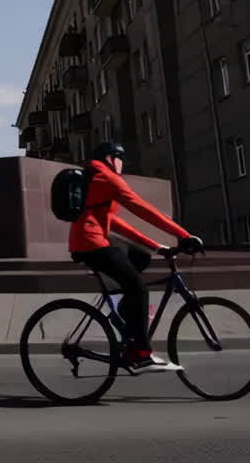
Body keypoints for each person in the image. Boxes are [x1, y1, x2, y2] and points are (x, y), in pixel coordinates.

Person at [70, 142, 204, 373]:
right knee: (139, 289)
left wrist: (155, 246)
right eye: (120, 157)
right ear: (111, 158)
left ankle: (124, 312)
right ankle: (141, 353)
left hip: (96, 238)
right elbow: (141, 207)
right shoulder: (106, 177)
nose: (122, 163)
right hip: (90, 243)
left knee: (142, 258)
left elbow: (114, 223)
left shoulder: (98, 178)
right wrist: (183, 235)